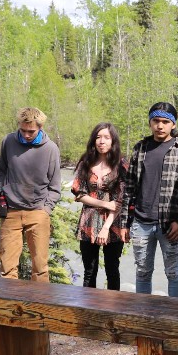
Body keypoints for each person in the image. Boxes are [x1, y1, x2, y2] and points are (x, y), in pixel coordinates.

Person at [119, 103, 178, 298]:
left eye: (165, 122)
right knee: (143, 271)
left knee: (173, 271)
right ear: (150, 122)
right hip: (141, 222)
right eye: (156, 121)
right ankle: (144, 314)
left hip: (170, 225)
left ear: (173, 124)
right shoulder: (140, 148)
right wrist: (124, 223)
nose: (160, 126)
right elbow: (129, 187)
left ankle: (173, 315)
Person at [0, 107, 61, 282]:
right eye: (23, 130)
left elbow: (55, 185)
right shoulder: (8, 142)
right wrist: (2, 195)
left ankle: (39, 308)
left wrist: (45, 210)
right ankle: (9, 308)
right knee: (7, 269)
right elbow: (2, 170)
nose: (26, 135)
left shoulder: (51, 149)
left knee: (40, 269)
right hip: (11, 211)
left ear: (40, 127)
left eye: (31, 131)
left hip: (38, 212)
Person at [72, 122, 126, 290]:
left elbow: (121, 200)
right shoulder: (86, 162)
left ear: (113, 141)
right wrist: (104, 203)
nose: (101, 141)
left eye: (106, 138)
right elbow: (79, 194)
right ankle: (88, 310)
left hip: (113, 223)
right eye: (98, 137)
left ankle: (113, 310)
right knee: (90, 270)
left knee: (112, 268)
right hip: (88, 220)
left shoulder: (122, 164)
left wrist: (106, 227)